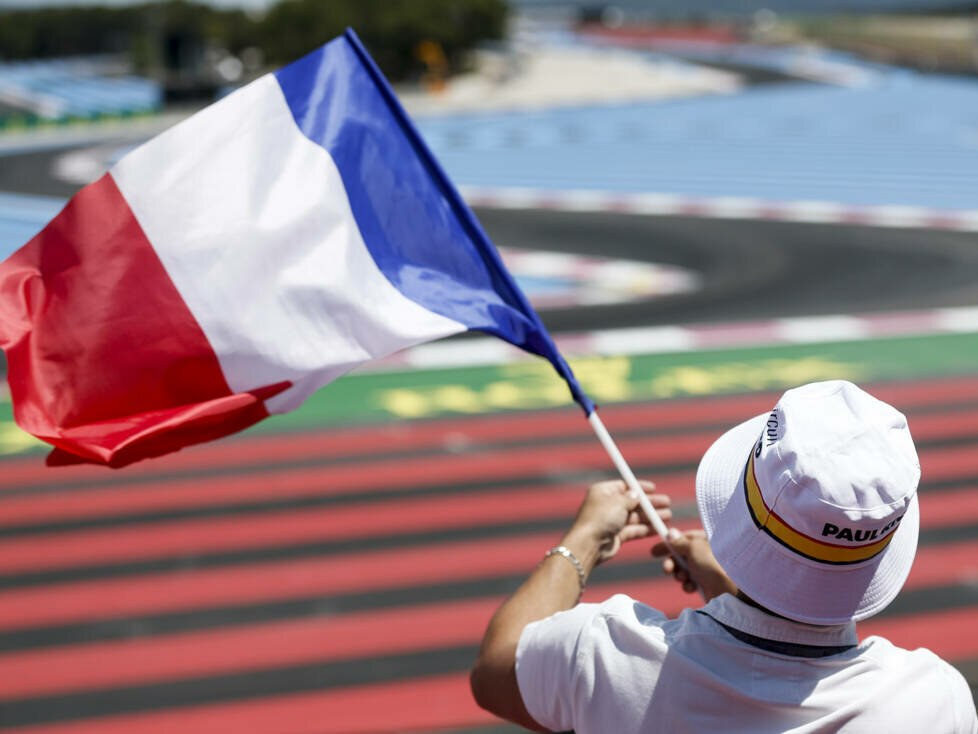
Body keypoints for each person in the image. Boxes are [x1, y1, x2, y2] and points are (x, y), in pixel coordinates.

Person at [470, 380, 978, 733]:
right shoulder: (932, 703)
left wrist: (582, 541)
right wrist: (733, 592)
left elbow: (497, 669)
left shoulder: (608, 658)